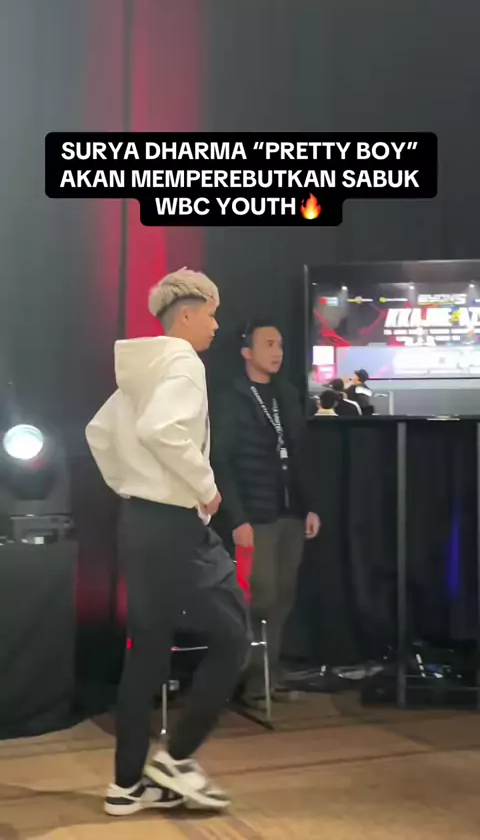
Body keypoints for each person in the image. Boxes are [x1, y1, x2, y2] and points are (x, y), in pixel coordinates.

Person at [86, 268, 249, 816]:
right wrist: (206, 488)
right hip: (175, 525)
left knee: (148, 654)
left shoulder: (142, 368)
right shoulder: (181, 361)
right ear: (186, 315)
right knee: (233, 636)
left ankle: (126, 785)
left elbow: (99, 433)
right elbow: (162, 430)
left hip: (139, 523)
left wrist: (132, 484)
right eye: (211, 315)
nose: (216, 325)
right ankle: (176, 759)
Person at [211, 320, 321, 706]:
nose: (277, 352)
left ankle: (265, 680)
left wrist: (311, 506)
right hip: (255, 515)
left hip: (289, 511)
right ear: (247, 352)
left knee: (283, 596)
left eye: (281, 345)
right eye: (269, 344)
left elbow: (301, 454)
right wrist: (237, 519)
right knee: (261, 595)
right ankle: (235, 677)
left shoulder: (286, 394)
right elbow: (221, 461)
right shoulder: (231, 398)